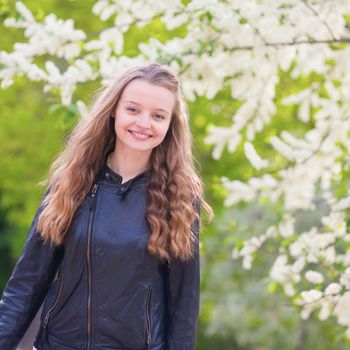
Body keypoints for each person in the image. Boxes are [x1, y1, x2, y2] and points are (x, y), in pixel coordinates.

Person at [0, 62, 213, 350]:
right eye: (133, 109)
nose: (143, 123)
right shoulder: (71, 183)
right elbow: (27, 283)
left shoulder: (181, 199)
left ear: (170, 124)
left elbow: (183, 305)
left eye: (158, 115)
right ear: (114, 109)